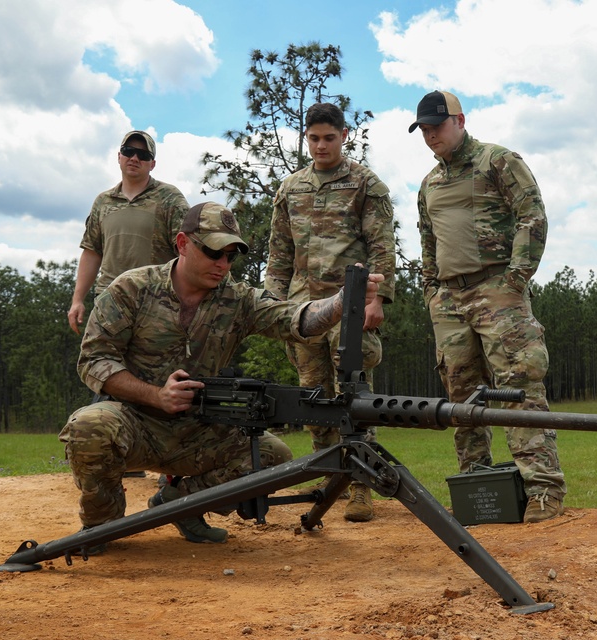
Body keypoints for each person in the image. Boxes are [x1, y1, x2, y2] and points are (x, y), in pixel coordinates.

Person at [58, 202, 385, 549]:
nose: (223, 265)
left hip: (201, 433)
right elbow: (93, 360)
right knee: (88, 426)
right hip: (135, 423)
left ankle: (181, 504)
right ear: (183, 244)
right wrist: (156, 396)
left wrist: (340, 302)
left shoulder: (237, 299)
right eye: (214, 252)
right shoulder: (131, 289)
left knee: (275, 458)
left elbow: (295, 319)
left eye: (231, 256)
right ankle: (101, 525)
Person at [409, 90, 567, 524]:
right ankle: (476, 490)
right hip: (449, 299)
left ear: (460, 121)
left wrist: (515, 280)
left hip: (498, 290)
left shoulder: (498, 161)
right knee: (461, 399)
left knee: (519, 388)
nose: (430, 136)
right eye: (423, 129)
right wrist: (431, 291)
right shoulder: (429, 184)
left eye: (436, 127)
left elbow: (532, 216)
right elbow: (427, 243)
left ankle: (543, 492)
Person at [265, 103, 396, 523]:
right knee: (311, 396)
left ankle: (360, 487)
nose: (321, 145)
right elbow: (279, 254)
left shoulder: (364, 184)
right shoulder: (291, 188)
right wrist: (273, 305)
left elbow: (382, 247)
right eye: (313, 138)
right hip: (304, 307)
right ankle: (326, 476)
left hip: (349, 304)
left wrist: (377, 300)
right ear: (306, 138)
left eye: (329, 137)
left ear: (344, 136)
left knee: (354, 394)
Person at [68, 130, 189, 479]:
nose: (133, 158)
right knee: (106, 372)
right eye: (127, 151)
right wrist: (78, 299)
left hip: (157, 303)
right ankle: (110, 452)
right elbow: (92, 250)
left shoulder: (169, 199)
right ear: (118, 157)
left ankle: (173, 462)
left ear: (152, 162)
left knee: (156, 376)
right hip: (109, 302)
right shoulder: (103, 202)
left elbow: (185, 250)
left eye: (141, 153)